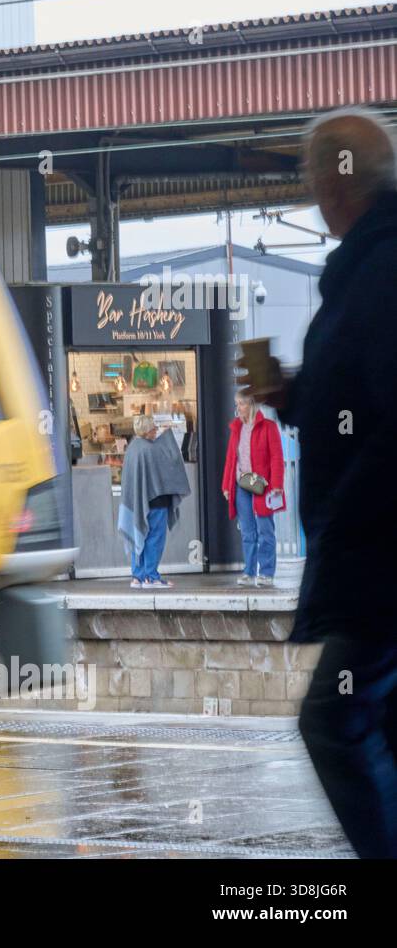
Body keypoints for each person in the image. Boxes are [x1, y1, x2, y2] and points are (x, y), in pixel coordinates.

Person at [241, 107, 397, 857]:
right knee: (381, 727)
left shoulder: (381, 267)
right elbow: (356, 399)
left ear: (336, 184)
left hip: (381, 557)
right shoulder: (366, 266)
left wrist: (353, 528)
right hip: (373, 553)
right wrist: (297, 396)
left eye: (311, 178)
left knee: (333, 721)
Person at [116, 413, 191, 589]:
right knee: (154, 539)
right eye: (154, 428)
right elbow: (171, 463)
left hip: (137, 504)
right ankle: (151, 577)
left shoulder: (133, 448)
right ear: (147, 429)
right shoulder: (150, 449)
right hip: (156, 502)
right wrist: (169, 439)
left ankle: (137, 576)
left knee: (138, 535)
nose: (156, 430)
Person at [221, 391, 285, 587]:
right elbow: (231, 459)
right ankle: (249, 571)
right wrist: (226, 485)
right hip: (241, 485)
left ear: (252, 405)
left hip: (262, 486)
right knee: (248, 531)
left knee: (266, 529)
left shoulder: (269, 427)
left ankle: (266, 572)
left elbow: (276, 457)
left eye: (241, 404)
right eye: (237, 404)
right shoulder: (236, 429)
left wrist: (277, 484)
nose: (238, 408)